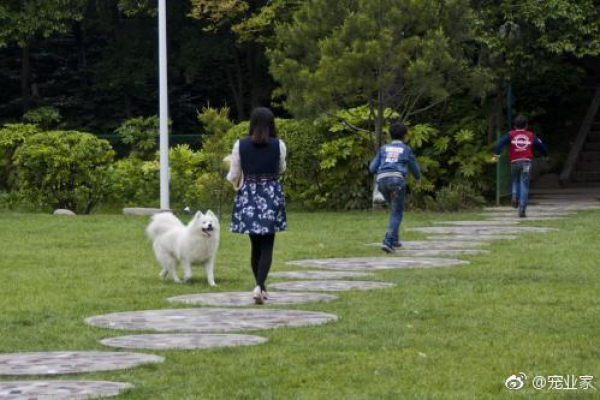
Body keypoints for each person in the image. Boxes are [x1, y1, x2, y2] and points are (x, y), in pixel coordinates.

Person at [226, 107, 287, 304]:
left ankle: (260, 286)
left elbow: (234, 174)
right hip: (271, 194)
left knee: (255, 245)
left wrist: (234, 180)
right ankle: (260, 286)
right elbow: (281, 168)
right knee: (268, 243)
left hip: (249, 196)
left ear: (251, 123)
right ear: (271, 124)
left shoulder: (240, 145)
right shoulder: (279, 145)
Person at [369, 122, 421, 253]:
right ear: (405, 136)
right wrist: (418, 179)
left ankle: (395, 240)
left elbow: (372, 168)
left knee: (394, 209)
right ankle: (388, 241)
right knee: (397, 212)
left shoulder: (383, 148)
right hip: (396, 181)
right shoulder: (406, 149)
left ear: (389, 135)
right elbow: (414, 167)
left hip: (381, 181)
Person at [493, 115, 548, 218]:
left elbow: (499, 144)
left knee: (515, 180)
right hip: (526, 163)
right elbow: (541, 146)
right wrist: (545, 155)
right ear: (526, 125)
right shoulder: (530, 135)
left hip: (514, 162)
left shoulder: (511, 134)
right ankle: (522, 208)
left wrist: (496, 156)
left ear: (514, 126)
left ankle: (514, 196)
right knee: (524, 184)